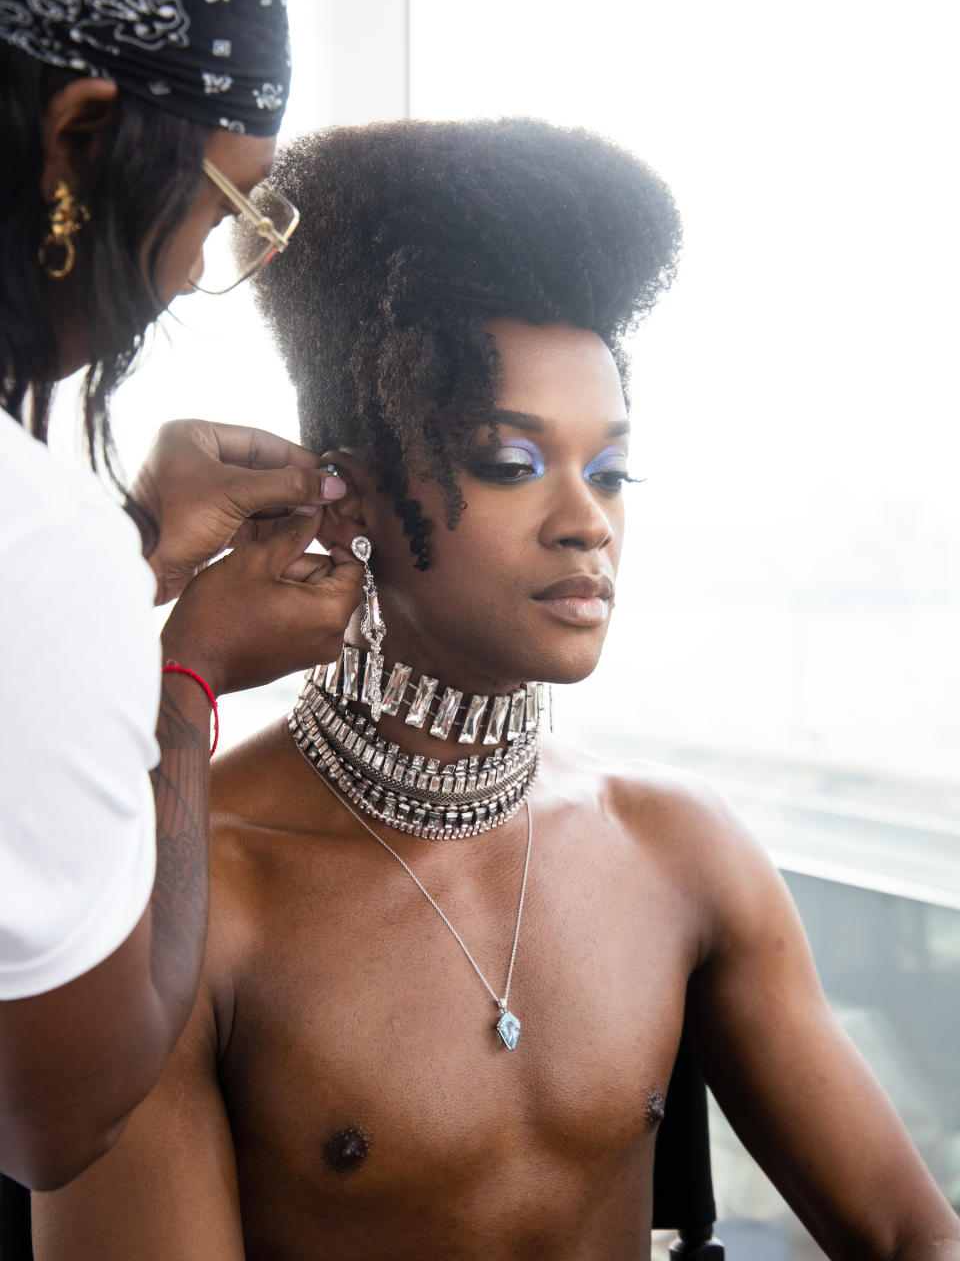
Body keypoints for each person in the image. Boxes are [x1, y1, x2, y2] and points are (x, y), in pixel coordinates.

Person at [33, 120, 960, 1259]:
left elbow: (920, 1238)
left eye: (612, 471)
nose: (588, 522)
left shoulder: (682, 854)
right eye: (512, 464)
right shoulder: (196, 899)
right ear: (351, 497)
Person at [0, 0, 361, 1192]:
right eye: (223, 214)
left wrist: (136, 553)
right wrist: (188, 687)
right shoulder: (33, 541)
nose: (191, 272)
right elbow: (62, 1113)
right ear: (79, 135)